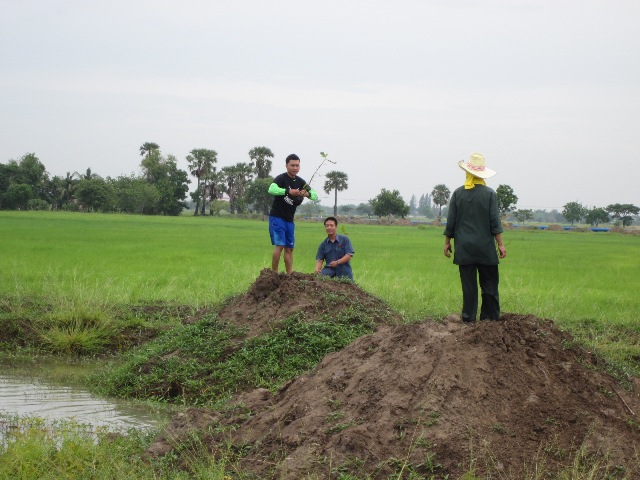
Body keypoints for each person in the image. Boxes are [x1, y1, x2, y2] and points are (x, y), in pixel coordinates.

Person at [443, 153, 507, 322]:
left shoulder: (458, 193)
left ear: (468, 172)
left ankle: (468, 319)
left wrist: (447, 242)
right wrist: (501, 245)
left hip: (464, 249)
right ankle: (490, 319)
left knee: (469, 287)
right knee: (490, 285)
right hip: (486, 249)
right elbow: (495, 222)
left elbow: (451, 222)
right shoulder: (490, 194)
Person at [268, 153, 318, 274]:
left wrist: (307, 194)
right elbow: (271, 189)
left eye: (297, 165)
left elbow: (315, 195)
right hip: (277, 217)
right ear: (286, 165)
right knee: (280, 245)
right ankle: (274, 274)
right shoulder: (281, 178)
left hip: (289, 219)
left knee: (289, 248)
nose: (295, 168)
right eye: (292, 165)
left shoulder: (301, 182)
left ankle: (290, 276)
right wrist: (288, 191)